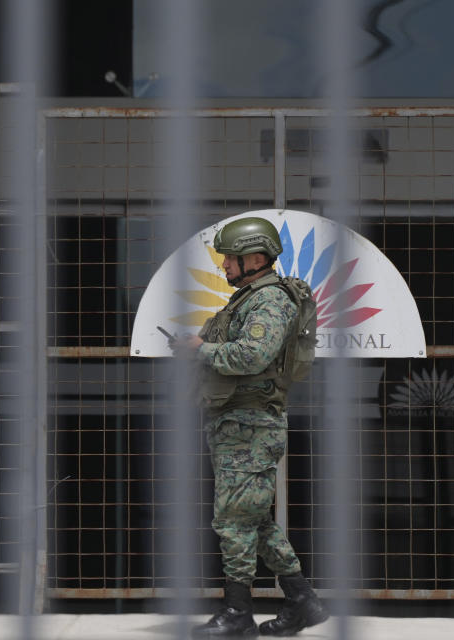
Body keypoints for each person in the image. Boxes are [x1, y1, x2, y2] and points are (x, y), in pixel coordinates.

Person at [169, 217, 328, 638]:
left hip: (251, 426)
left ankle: (238, 614)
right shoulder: (248, 300)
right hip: (238, 423)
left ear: (255, 258)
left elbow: (253, 355)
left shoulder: (269, 302)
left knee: (233, 522)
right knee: (254, 519)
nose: (224, 265)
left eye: (230, 258)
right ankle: (302, 602)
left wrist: (202, 349)